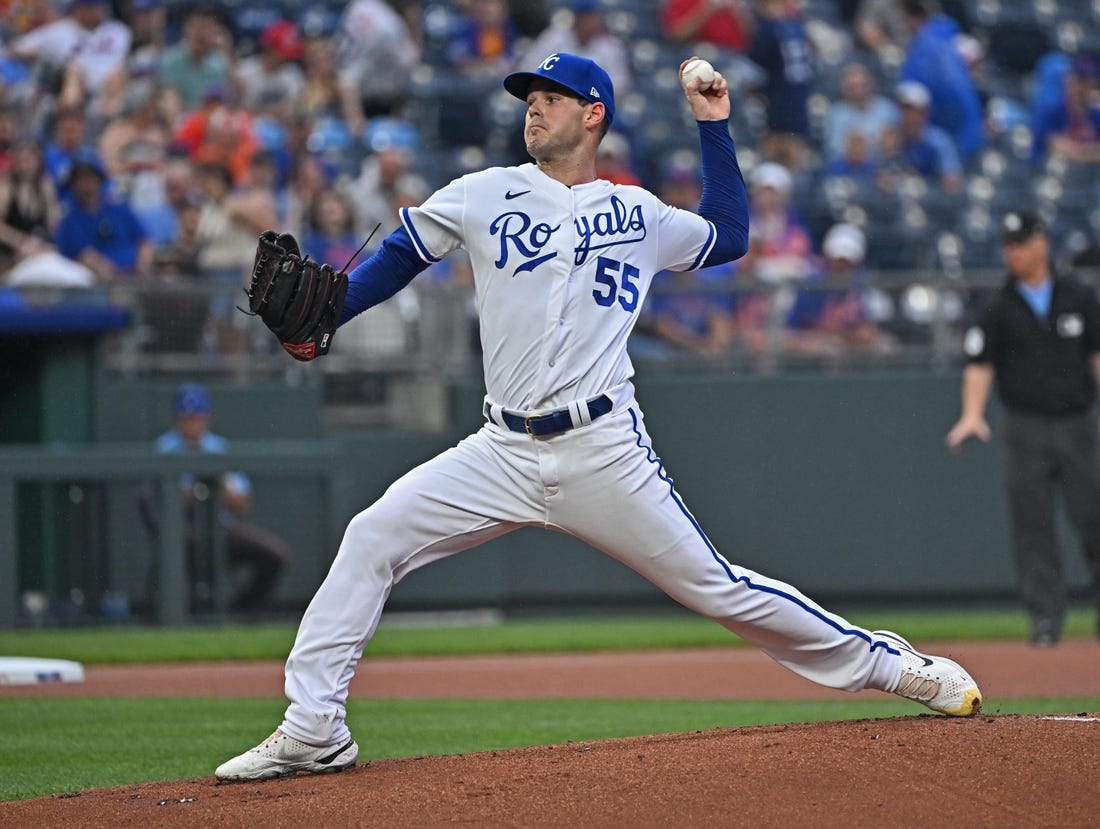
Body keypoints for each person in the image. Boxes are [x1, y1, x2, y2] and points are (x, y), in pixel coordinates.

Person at [215, 51, 982, 782]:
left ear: (594, 115)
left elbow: (731, 234)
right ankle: (315, 726)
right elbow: (401, 255)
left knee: (720, 588)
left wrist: (713, 123)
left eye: (548, 100)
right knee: (371, 536)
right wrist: (335, 311)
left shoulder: (637, 213)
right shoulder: (483, 192)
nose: (533, 111)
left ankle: (892, 666)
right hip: (500, 449)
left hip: (603, 449)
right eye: (527, 101)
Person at [946, 211, 1100, 646]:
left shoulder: (1078, 296)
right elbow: (979, 364)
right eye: (1008, 245)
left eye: (1021, 243)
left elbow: (1097, 354)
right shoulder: (997, 306)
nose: (1013, 252)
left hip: (1077, 424)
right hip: (1025, 427)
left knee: (1094, 518)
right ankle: (1045, 621)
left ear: (1041, 244)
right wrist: (972, 413)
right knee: (1032, 526)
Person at [142, 383, 291, 613]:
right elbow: (168, 500)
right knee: (184, 547)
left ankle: (241, 612)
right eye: (186, 418)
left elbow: (241, 501)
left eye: (197, 417)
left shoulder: (217, 447)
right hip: (180, 531)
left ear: (207, 418)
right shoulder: (165, 447)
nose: (192, 424)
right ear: (176, 418)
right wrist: (203, 492)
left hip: (221, 528)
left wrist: (210, 490)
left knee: (275, 554)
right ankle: (172, 615)